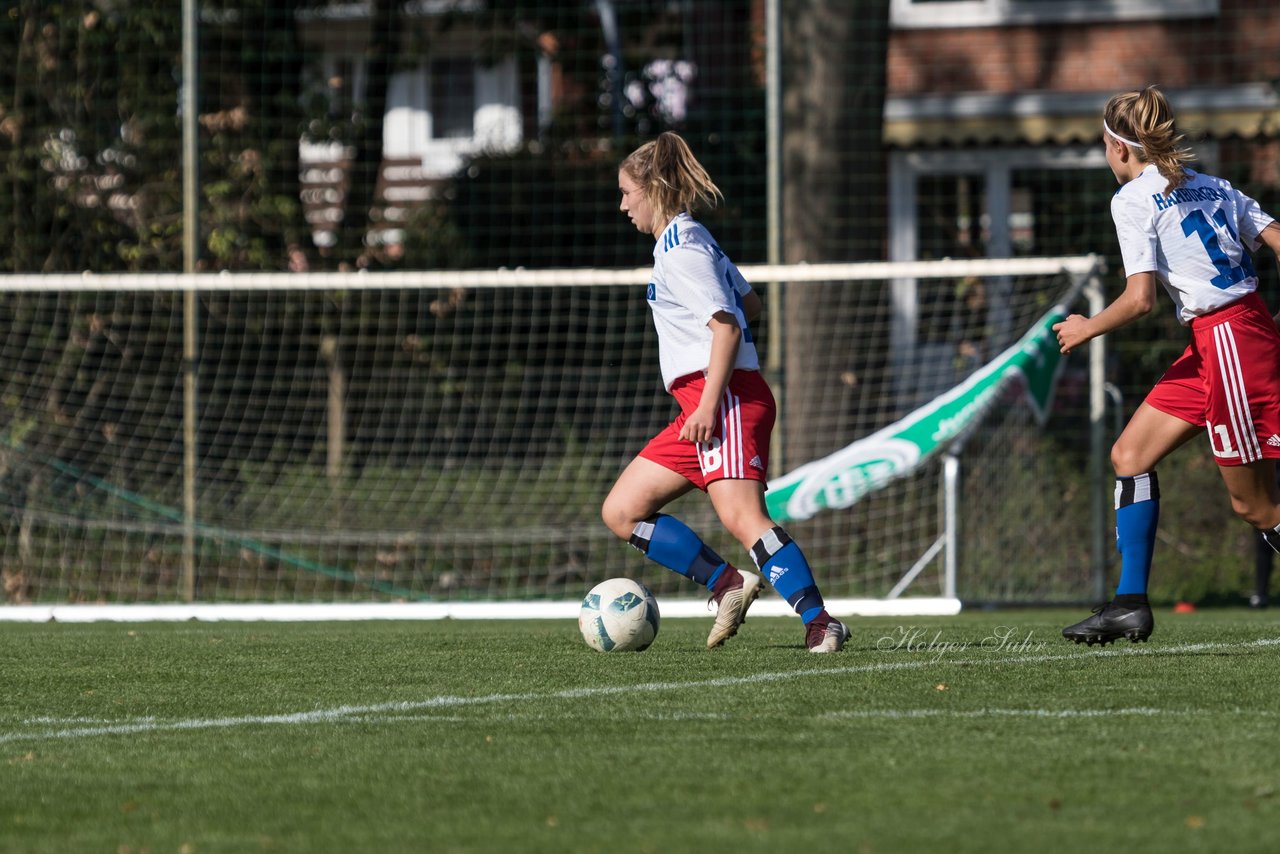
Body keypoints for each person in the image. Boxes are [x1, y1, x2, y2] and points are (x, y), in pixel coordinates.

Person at [601, 131, 849, 653]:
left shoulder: (681, 251)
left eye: (627, 192)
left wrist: (711, 403)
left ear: (653, 189)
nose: (622, 204)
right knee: (622, 511)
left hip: (722, 400)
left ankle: (821, 622)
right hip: (703, 403)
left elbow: (730, 327)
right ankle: (727, 584)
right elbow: (749, 304)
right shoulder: (692, 239)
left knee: (745, 519)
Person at [1054, 85, 1280, 645]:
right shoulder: (1214, 184)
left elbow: (1139, 300)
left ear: (1119, 147)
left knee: (1254, 506)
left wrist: (1085, 327)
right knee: (1129, 455)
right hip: (1220, 339)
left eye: (1105, 146)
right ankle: (1129, 604)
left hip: (1228, 341)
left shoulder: (1131, 199)